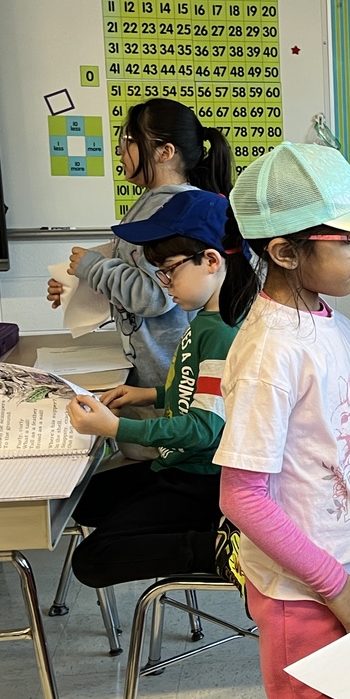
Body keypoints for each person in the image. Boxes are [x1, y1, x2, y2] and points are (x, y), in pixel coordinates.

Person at [213, 142, 350, 699]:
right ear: (284, 251)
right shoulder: (270, 352)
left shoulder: (335, 324)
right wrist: (335, 586)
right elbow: (241, 497)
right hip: (302, 592)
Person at [65, 190, 243, 589]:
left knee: (93, 561)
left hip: (202, 478)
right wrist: (150, 396)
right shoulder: (205, 319)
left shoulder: (222, 332)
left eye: (168, 271)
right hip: (178, 464)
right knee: (85, 501)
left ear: (211, 261)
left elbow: (204, 428)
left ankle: (220, 549)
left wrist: (116, 428)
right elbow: (208, 393)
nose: (164, 283)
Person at [47, 98, 234, 459]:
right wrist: (77, 285)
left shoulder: (175, 210)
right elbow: (130, 272)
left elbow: (152, 295)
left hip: (170, 373)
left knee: (167, 454)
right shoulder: (150, 203)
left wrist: (94, 269)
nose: (120, 150)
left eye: (129, 141)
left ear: (165, 151)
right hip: (151, 380)